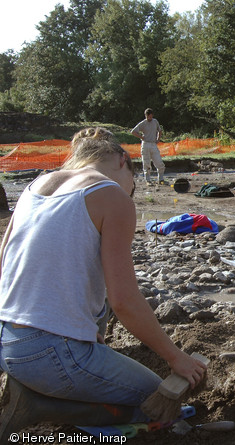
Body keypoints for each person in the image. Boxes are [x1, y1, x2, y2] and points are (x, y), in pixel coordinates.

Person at [0, 128, 206, 430]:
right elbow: (124, 300)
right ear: (124, 160)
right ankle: (40, 406)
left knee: (97, 316)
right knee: (160, 403)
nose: (129, 193)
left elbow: (6, 262)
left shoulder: (37, 185)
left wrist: (71, 323)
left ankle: (39, 386)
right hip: (49, 353)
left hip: (7, 342)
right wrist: (177, 358)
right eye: (132, 186)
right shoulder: (112, 196)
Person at [131, 108, 165, 184]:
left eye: (151, 116)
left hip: (153, 144)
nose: (150, 118)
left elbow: (159, 130)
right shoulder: (143, 123)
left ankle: (161, 179)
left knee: (159, 162)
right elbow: (133, 132)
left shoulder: (155, 121)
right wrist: (142, 137)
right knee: (146, 163)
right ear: (145, 115)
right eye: (148, 116)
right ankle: (148, 180)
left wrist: (158, 139)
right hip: (145, 144)